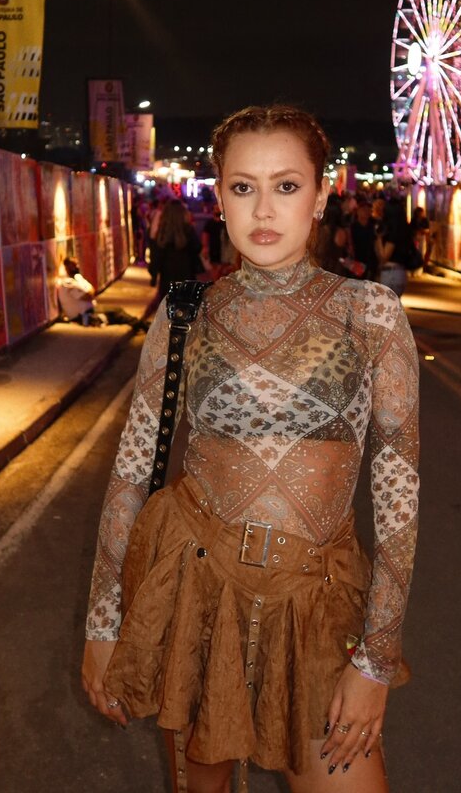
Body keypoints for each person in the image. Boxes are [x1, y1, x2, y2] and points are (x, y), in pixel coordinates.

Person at [82, 105, 419, 793]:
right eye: (243, 187)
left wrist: (376, 659)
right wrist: (103, 623)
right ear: (220, 196)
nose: (264, 209)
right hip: (196, 597)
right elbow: (133, 470)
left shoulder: (370, 314)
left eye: (286, 186)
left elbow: (398, 494)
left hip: (316, 606)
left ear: (320, 197)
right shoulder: (184, 312)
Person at [152, 198, 202, 302]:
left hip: (167, 277)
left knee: (169, 306)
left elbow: (157, 256)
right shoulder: (188, 230)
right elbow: (197, 248)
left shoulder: (162, 233)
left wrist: (154, 275)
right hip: (187, 275)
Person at [200, 201, 238, 280]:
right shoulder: (210, 223)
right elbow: (205, 235)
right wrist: (205, 247)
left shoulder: (225, 222)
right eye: (215, 208)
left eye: (218, 208)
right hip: (214, 248)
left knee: (224, 270)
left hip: (224, 250)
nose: (217, 210)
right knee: (215, 269)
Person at [349, 199, 378, 280]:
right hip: (357, 262)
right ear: (358, 211)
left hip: (371, 262)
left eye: (369, 210)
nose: (366, 212)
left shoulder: (373, 227)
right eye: (364, 209)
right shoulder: (352, 227)